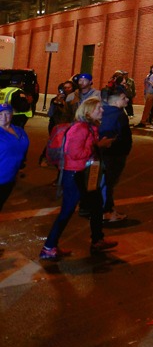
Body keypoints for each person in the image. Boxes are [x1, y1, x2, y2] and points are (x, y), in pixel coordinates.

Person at [39, 97, 116, 261]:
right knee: (66, 211)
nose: (102, 110)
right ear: (88, 112)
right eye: (98, 108)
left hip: (85, 173)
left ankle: (97, 240)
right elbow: (74, 153)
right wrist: (98, 146)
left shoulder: (90, 127)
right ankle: (49, 247)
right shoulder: (80, 128)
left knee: (96, 206)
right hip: (74, 174)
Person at [98, 83, 134, 224]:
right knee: (108, 182)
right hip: (114, 154)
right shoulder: (118, 115)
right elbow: (117, 135)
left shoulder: (103, 111)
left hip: (106, 153)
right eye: (124, 98)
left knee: (104, 182)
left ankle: (103, 208)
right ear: (116, 99)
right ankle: (106, 211)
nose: (127, 101)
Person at [0, 99, 30, 212]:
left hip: (11, 177)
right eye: (0, 114)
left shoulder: (19, 130)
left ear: (12, 114)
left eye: (7, 113)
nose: (4, 116)